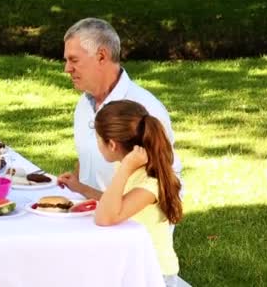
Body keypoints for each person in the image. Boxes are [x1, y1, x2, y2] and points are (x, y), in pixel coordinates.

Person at [57, 18, 182, 199]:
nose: (67, 68)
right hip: (89, 214)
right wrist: (76, 181)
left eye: (73, 60)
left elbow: (163, 179)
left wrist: (119, 217)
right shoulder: (84, 104)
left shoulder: (144, 110)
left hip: (129, 222)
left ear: (101, 56)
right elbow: (89, 155)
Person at [93, 100, 182, 286]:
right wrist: (78, 187)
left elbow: (105, 217)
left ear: (112, 145)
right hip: (134, 267)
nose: (97, 145)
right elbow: (114, 203)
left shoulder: (149, 184)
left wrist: (125, 168)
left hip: (154, 274)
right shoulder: (129, 167)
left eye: (98, 139)